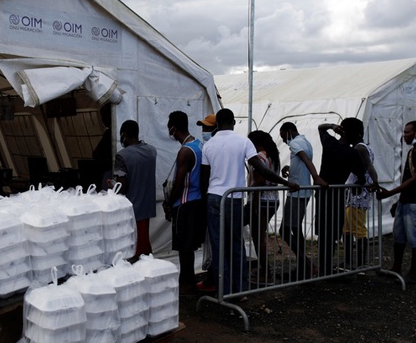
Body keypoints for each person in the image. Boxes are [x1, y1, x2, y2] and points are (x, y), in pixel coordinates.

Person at [199, 109, 297, 294]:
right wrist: (286, 182)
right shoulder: (243, 142)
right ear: (234, 122)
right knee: (236, 244)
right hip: (234, 197)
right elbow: (261, 168)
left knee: (218, 245)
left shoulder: (208, 145)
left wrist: (206, 201)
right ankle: (240, 290)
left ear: (217, 124)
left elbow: (204, 178)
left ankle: (223, 290)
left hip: (214, 197)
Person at [378, 121, 416, 284]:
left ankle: (412, 273)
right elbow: (407, 179)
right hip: (406, 200)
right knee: (399, 236)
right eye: (404, 132)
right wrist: (398, 201)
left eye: (408, 133)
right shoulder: (413, 152)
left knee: (415, 237)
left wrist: (390, 193)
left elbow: (414, 179)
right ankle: (396, 267)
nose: (404, 136)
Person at [162, 111, 206, 296]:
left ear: (174, 127)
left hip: (185, 203)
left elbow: (179, 183)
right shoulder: (198, 145)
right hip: (196, 201)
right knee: (189, 245)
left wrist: (169, 203)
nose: (168, 130)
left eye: (169, 126)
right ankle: (187, 281)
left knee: (184, 247)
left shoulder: (185, 151)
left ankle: (187, 284)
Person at [279, 122, 327, 279]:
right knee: (295, 229)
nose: (284, 140)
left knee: (284, 230)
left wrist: (316, 177)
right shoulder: (305, 141)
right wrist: (289, 169)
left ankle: (307, 264)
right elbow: (302, 163)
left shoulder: (294, 142)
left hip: (297, 193)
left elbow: (305, 159)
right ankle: (303, 266)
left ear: (289, 131)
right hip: (303, 191)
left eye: (283, 136)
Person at [316, 120, 364, 276]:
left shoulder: (329, 144)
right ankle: (327, 269)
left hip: (323, 194)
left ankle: (323, 268)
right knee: (333, 234)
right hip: (337, 196)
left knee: (324, 233)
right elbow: (361, 176)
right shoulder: (352, 153)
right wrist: (357, 188)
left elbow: (320, 128)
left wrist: (331, 126)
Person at [113, 119, 158, 259]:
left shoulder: (122, 156)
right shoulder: (152, 151)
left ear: (124, 135)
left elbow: (122, 186)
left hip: (132, 206)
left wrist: (112, 186)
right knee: (144, 243)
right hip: (147, 205)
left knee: (133, 248)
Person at [342, 119, 379, 270]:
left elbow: (369, 167)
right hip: (354, 195)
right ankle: (350, 261)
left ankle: (360, 263)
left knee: (358, 230)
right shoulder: (363, 147)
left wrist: (375, 182)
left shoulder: (359, 148)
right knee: (348, 229)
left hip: (357, 195)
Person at [246, 130, 281, 283]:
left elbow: (259, 182)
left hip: (261, 200)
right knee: (259, 236)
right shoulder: (272, 157)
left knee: (258, 237)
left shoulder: (260, 157)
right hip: (272, 199)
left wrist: (253, 205)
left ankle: (266, 274)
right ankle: (264, 271)